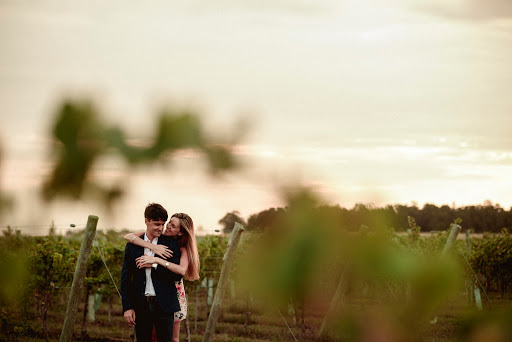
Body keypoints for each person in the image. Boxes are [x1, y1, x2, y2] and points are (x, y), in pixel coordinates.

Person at [125, 212, 200, 342]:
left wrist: (156, 261)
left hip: (174, 291)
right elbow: (128, 236)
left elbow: (181, 270)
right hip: (156, 290)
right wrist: (152, 246)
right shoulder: (158, 237)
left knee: (173, 337)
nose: (167, 227)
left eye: (173, 226)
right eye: (169, 223)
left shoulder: (182, 247)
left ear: (180, 232)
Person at [120, 203, 182, 342]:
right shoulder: (132, 246)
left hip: (165, 305)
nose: (160, 228)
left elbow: (177, 275)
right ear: (146, 221)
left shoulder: (171, 244)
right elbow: (125, 278)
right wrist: (127, 307)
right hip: (140, 305)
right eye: (156, 224)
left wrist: (154, 264)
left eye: (162, 224)